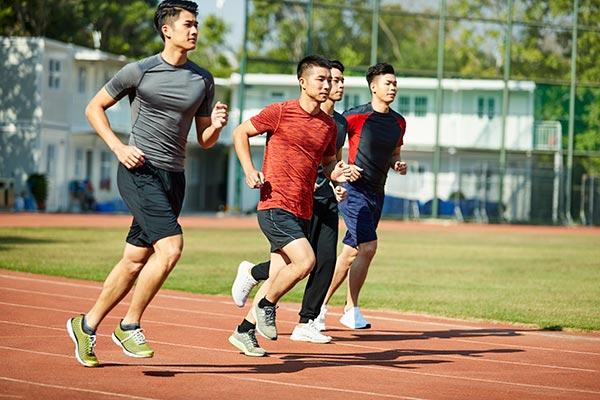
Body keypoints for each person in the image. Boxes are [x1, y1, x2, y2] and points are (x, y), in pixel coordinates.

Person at [66, 0, 228, 368]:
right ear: (166, 30)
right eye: (187, 24)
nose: (195, 31)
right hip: (139, 169)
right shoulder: (138, 71)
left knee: (135, 259)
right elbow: (94, 107)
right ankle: (129, 324)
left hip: (175, 176)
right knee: (170, 249)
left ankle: (85, 325)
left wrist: (216, 125)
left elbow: (203, 140)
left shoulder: (203, 79)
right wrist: (118, 147)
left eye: (196, 25)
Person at [228, 55, 353, 357]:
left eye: (331, 80)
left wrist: (338, 173)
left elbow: (327, 164)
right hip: (274, 203)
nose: (328, 85)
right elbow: (240, 132)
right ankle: (267, 305)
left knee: (276, 276)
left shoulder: (327, 126)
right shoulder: (281, 112)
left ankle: (244, 332)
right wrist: (248, 169)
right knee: (306, 262)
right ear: (303, 82)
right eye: (321, 79)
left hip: (303, 208)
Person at [320, 62, 407, 330]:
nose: (392, 87)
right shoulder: (354, 117)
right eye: (387, 83)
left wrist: (397, 164)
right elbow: (330, 146)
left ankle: (319, 308)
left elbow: (394, 154)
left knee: (348, 254)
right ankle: (351, 308)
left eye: (394, 83)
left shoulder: (399, 122)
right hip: (353, 191)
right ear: (373, 87)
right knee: (368, 247)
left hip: (377, 192)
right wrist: (341, 168)